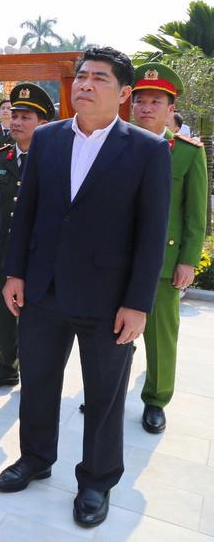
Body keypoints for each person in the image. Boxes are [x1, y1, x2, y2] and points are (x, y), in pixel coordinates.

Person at [0, 47, 172, 528]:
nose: (86, 85)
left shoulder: (148, 150)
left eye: (99, 79)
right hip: (44, 291)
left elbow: (151, 234)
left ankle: (96, 480)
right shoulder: (48, 139)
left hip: (108, 299)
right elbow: (26, 211)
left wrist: (138, 304)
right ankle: (35, 458)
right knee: (39, 383)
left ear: (124, 93)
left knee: (104, 396)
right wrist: (15, 272)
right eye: (82, 77)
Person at [129, 63, 207, 434]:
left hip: (163, 261)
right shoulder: (116, 146)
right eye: (140, 100)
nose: (145, 108)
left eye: (155, 101)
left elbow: (195, 215)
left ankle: (156, 399)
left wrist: (188, 261)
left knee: (160, 335)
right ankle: (107, 389)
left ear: (169, 108)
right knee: (109, 333)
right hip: (116, 261)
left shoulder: (188, 153)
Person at [0, 84, 55, 391]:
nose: (16, 122)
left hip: (39, 257)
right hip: (4, 253)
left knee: (36, 320)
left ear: (44, 123)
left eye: (26, 117)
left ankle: (36, 374)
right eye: (15, 116)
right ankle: (5, 367)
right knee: (3, 317)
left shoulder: (55, 160)